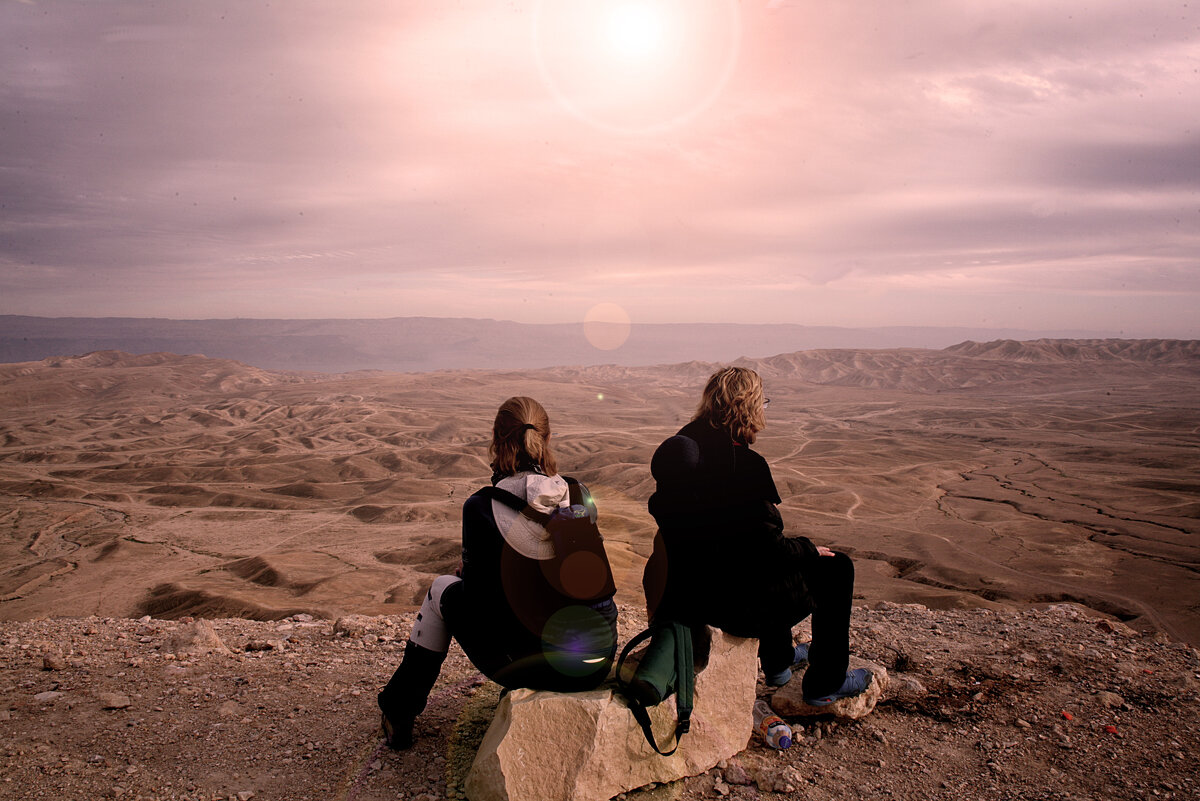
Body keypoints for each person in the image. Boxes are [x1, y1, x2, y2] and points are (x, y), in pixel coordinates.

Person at [378, 396, 618, 749]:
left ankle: (399, 710)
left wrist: (471, 575)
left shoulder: (481, 506)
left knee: (442, 589)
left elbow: (480, 600)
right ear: (546, 440)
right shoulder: (580, 494)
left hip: (535, 666)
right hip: (596, 658)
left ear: (496, 440)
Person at [642, 367, 871, 706]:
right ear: (744, 407)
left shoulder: (684, 445)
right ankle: (826, 683)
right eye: (761, 402)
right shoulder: (742, 465)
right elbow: (766, 550)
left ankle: (779, 664)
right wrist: (808, 550)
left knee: (756, 555)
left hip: (692, 590)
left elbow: (739, 537)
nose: (763, 410)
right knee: (837, 568)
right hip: (731, 605)